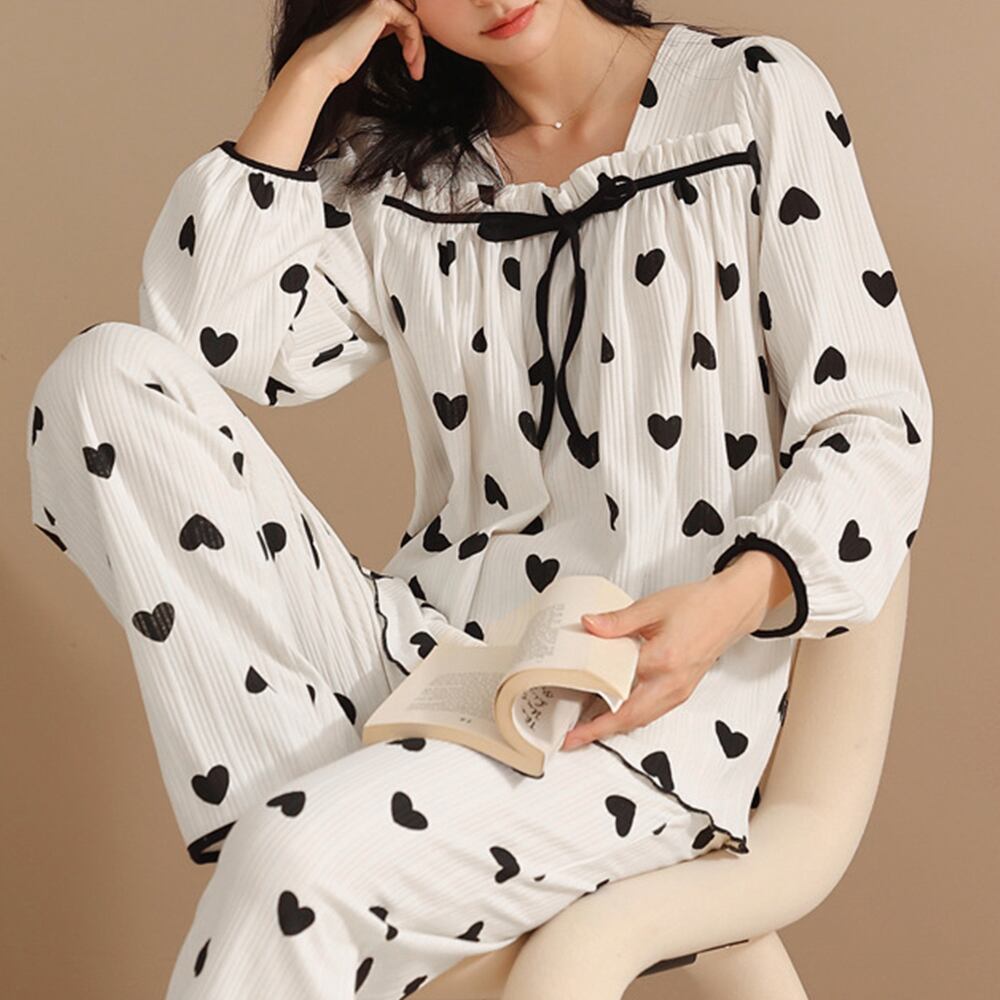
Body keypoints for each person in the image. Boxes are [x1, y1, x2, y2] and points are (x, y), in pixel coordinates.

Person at [25, 1, 934, 997]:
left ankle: (319, 838)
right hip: (424, 660)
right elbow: (211, 340)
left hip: (626, 718)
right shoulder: (407, 170)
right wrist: (309, 80)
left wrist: (729, 603)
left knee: (290, 859)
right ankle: (337, 826)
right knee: (101, 379)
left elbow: (874, 423)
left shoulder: (750, 97)